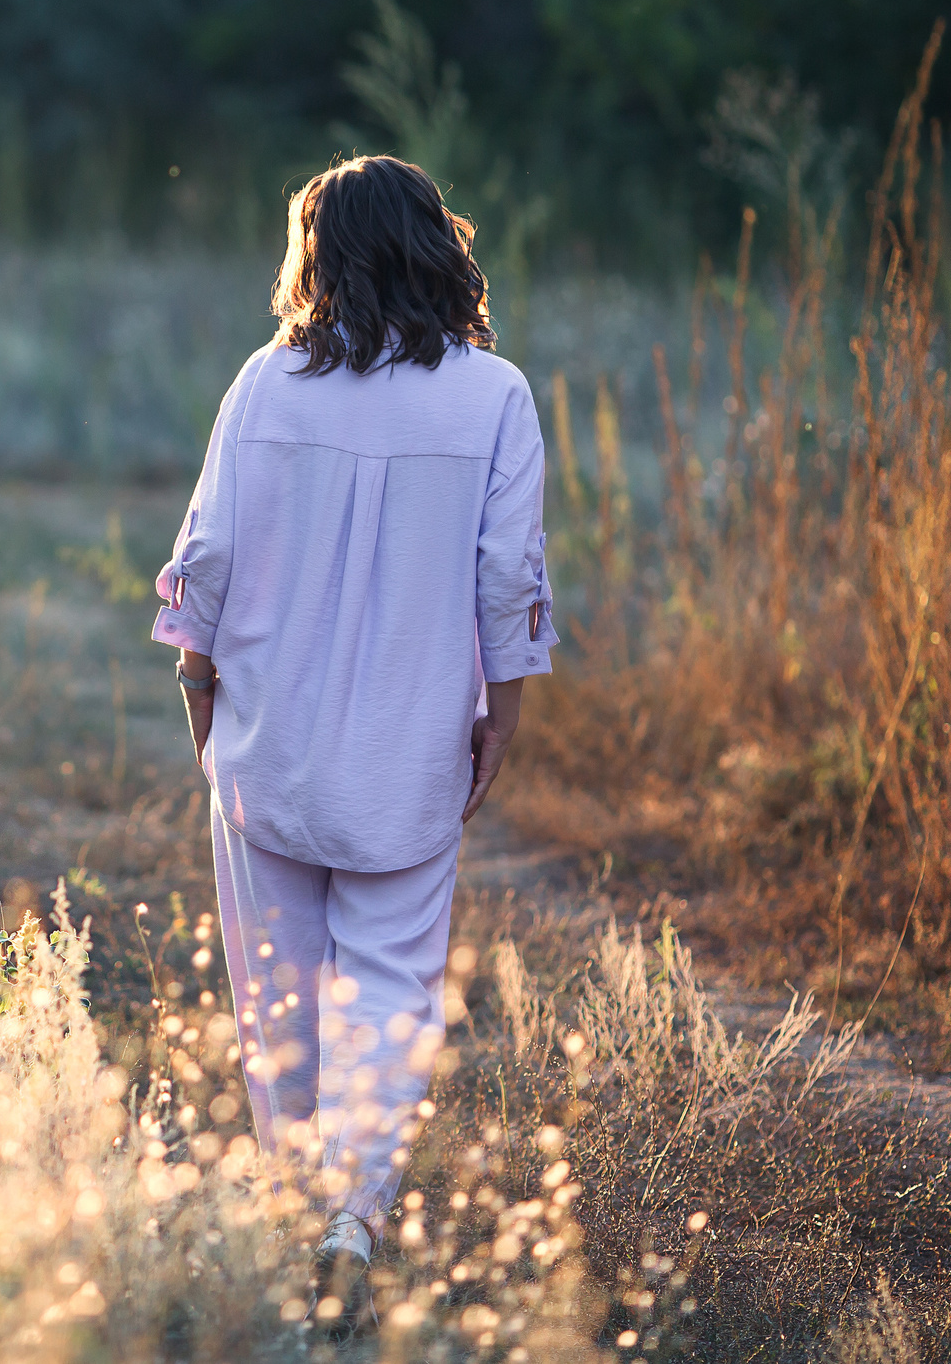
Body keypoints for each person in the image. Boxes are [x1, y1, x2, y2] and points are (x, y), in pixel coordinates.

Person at [151, 153, 555, 1331]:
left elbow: (209, 555)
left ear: (313, 255)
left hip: (269, 733)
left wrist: (197, 688)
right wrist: (504, 712)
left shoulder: (265, 385)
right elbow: (507, 575)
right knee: (389, 984)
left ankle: (297, 1203)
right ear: (440, 248)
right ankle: (353, 1218)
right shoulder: (494, 397)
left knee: (274, 983)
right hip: (409, 738)